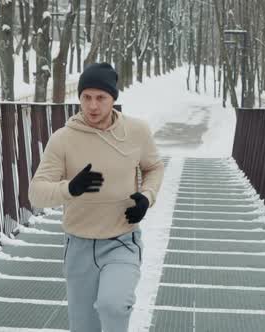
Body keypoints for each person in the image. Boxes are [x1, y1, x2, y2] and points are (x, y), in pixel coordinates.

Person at [28, 62, 164, 332]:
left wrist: (147, 197)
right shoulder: (63, 139)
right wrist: (70, 188)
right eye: (86, 97)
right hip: (78, 247)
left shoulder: (136, 132)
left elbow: (153, 167)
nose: (92, 106)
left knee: (113, 305)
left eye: (101, 97)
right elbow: (36, 193)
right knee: (84, 327)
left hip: (121, 241)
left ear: (113, 98)